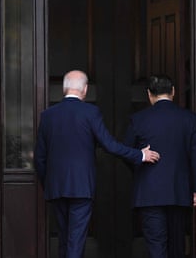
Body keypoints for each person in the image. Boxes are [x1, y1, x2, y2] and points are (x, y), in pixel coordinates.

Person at [34, 70, 160, 258]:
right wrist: (139, 155)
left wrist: (48, 184)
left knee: (63, 238)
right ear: (84, 89)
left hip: (56, 187)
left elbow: (39, 157)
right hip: (81, 187)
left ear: (64, 88)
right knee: (75, 240)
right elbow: (109, 145)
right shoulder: (90, 112)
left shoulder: (48, 115)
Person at [124, 74, 196, 258]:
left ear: (149, 94)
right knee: (177, 246)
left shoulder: (138, 119)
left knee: (156, 245)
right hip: (179, 191)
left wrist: (140, 166)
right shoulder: (189, 118)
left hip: (149, 192)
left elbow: (126, 153)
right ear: (173, 92)